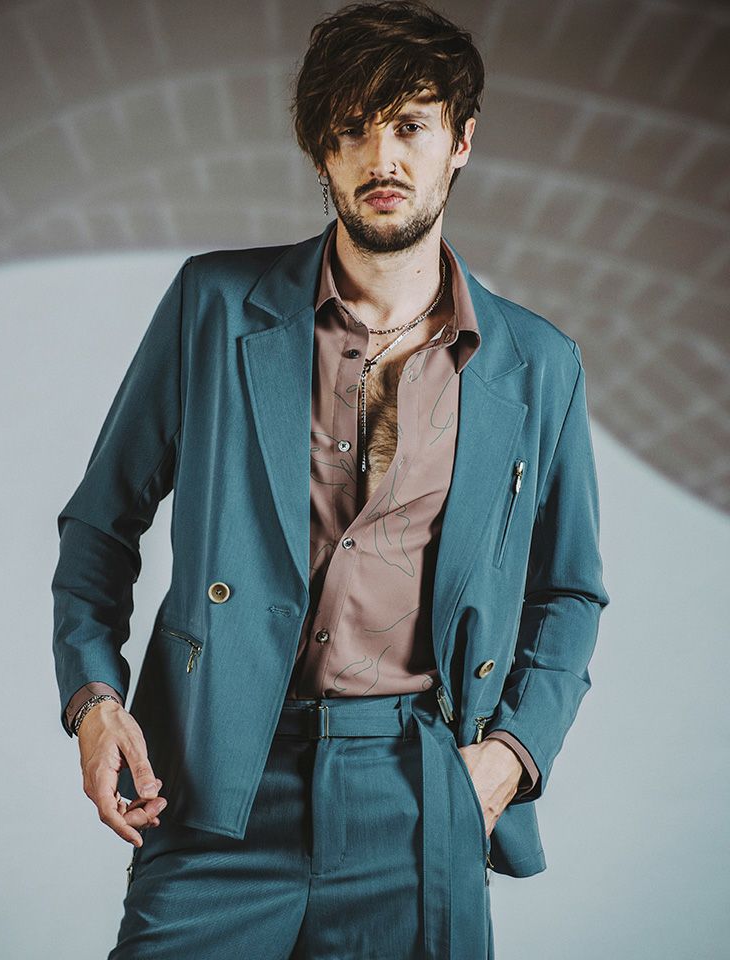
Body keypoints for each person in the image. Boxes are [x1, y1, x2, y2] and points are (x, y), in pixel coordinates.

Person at [51, 2, 610, 957]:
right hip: (218, 774)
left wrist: (511, 757)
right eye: (351, 130)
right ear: (321, 153)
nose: (381, 157)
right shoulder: (213, 306)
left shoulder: (538, 364)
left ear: (461, 142)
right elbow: (101, 524)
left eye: (410, 126)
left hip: (417, 790)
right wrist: (93, 701)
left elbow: (570, 591)